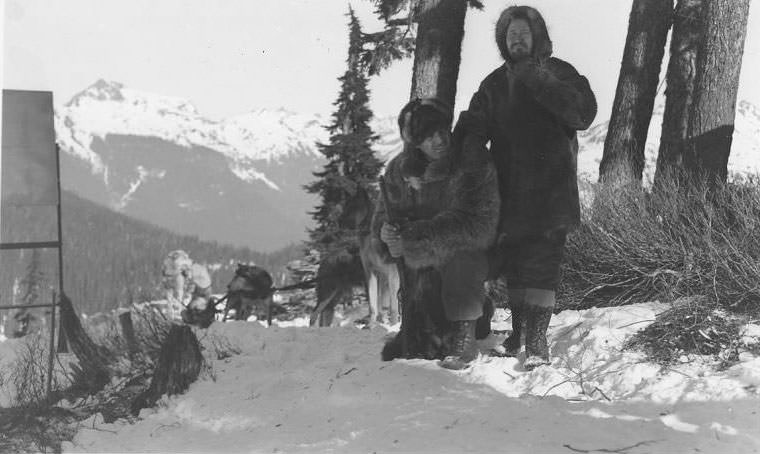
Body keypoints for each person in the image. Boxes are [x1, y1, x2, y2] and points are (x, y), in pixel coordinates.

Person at [456, 6, 597, 369]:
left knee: (542, 266)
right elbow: (473, 127)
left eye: (523, 32)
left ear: (537, 35)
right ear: (503, 41)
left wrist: (537, 78)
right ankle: (519, 334)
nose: (516, 38)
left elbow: (582, 114)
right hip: (509, 191)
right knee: (518, 265)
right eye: (509, 34)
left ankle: (536, 343)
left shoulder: (561, 72)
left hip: (551, 192)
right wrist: (472, 157)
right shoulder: (492, 84)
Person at [375, 98, 500, 370]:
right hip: (420, 264)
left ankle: (465, 336)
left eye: (442, 131)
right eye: (428, 137)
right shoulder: (399, 169)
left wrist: (413, 238)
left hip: (468, 253)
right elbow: (385, 217)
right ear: (415, 142)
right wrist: (387, 236)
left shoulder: (471, 160)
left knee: (460, 261)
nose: (439, 141)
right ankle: (460, 320)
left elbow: (478, 225)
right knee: (420, 344)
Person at [162, 250, 212, 320]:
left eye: (184, 270)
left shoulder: (194, 270)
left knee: (193, 307)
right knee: (193, 306)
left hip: (202, 291)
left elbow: (191, 282)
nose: (183, 273)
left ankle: (190, 318)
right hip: (203, 290)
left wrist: (188, 291)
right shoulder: (196, 268)